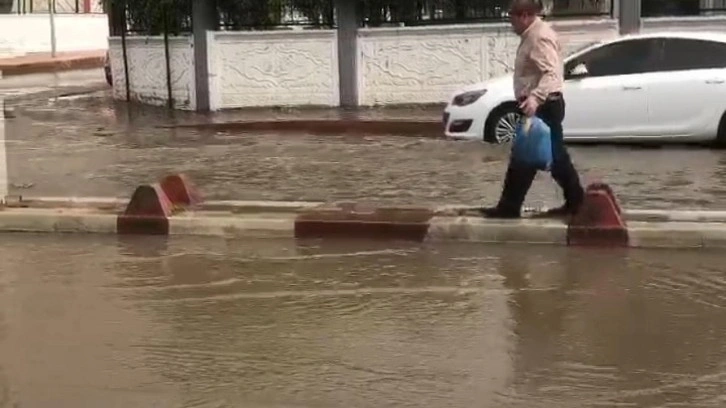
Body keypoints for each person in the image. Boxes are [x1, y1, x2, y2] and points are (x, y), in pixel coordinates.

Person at [480, 0, 584, 219]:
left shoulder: (538, 37)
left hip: (544, 105)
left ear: (525, 15)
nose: (510, 23)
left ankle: (576, 203)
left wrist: (536, 98)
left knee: (543, 158)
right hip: (539, 105)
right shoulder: (532, 35)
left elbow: (552, 74)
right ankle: (512, 206)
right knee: (530, 157)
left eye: (512, 17)